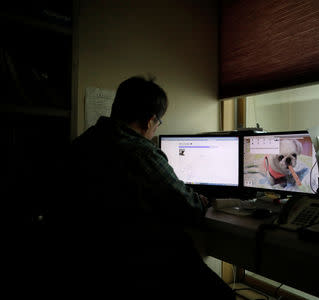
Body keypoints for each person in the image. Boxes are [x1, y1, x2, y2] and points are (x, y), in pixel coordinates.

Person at [58, 75, 235, 299]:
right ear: (150, 121)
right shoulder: (141, 152)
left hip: (90, 262)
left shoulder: (82, 143)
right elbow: (188, 208)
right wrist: (202, 200)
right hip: (143, 264)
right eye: (158, 123)